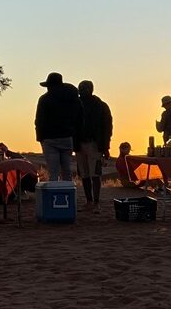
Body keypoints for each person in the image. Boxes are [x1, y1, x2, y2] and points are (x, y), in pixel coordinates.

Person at [35, 72, 83, 182]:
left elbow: (39, 120)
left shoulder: (44, 99)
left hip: (49, 138)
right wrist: (74, 133)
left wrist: (40, 137)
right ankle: (68, 196)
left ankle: (54, 196)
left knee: (53, 171)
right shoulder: (73, 98)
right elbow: (80, 117)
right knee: (66, 169)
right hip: (67, 137)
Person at [77, 80, 113, 212]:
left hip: (94, 144)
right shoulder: (76, 104)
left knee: (95, 174)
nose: (82, 90)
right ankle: (89, 201)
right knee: (85, 175)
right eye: (81, 88)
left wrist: (105, 147)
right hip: (80, 144)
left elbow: (107, 128)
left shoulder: (100, 106)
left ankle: (96, 202)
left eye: (84, 88)